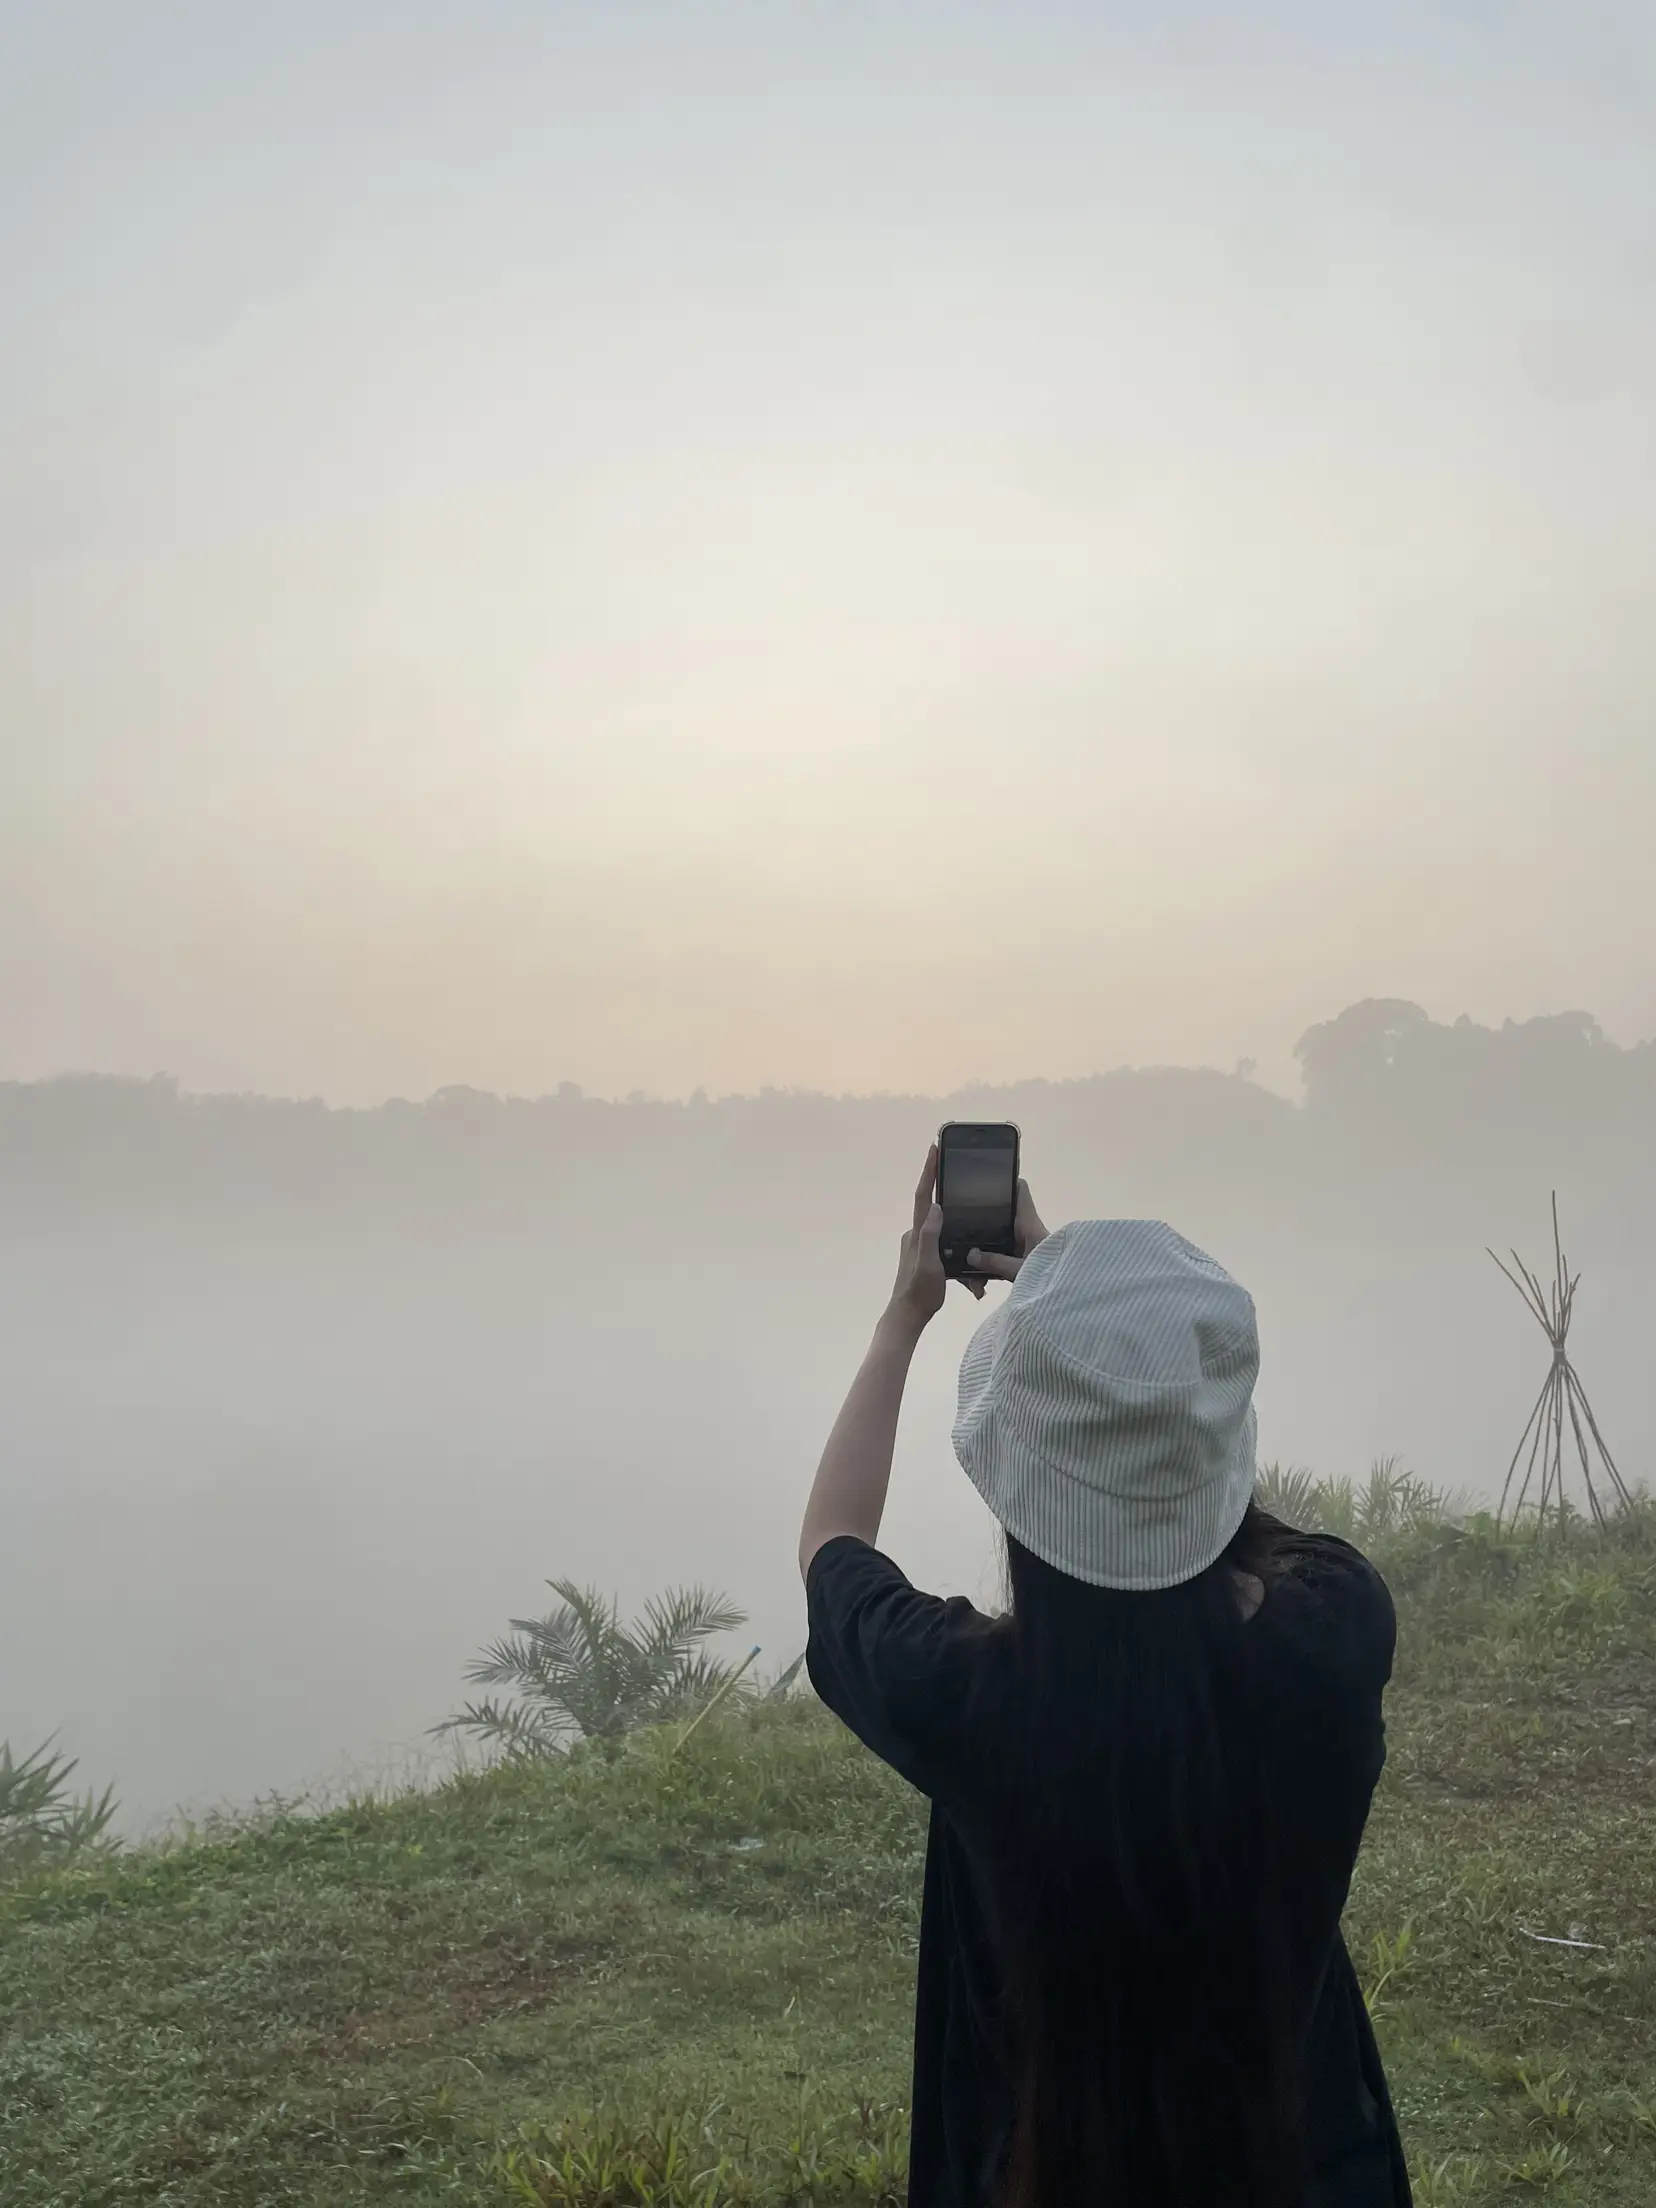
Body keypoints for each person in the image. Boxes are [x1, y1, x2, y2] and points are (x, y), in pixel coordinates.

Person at [798, 1147, 1410, 2208]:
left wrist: (907, 1312)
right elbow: (1229, 1515)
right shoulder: (1336, 1632)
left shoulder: (966, 1703)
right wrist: (1101, 1329)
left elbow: (831, 1543)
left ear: (1013, 1479)